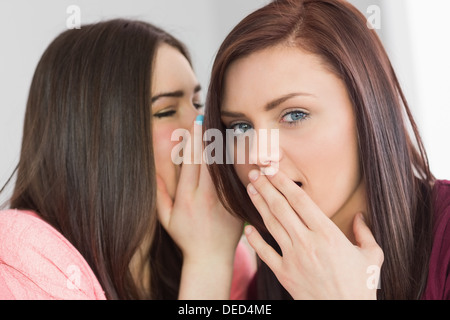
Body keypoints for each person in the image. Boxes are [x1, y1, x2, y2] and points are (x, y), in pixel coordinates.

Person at [204, 0, 449, 299]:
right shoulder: (265, 287)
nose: (256, 155)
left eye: (294, 115)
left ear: (367, 113)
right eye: (241, 128)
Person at [0, 19, 254, 299]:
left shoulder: (225, 252)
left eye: (198, 105)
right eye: (166, 111)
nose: (203, 129)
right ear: (96, 139)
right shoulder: (22, 251)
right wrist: (208, 262)